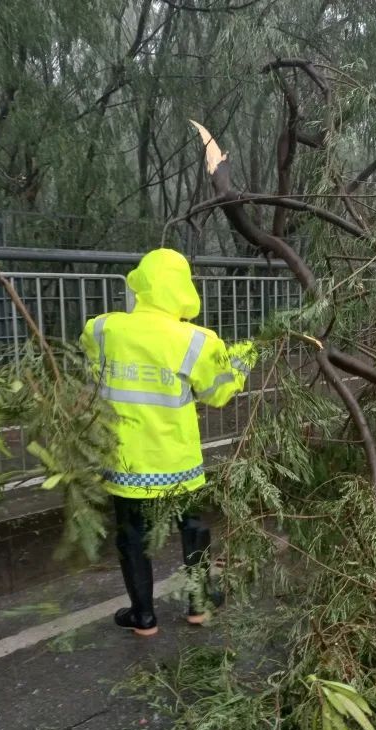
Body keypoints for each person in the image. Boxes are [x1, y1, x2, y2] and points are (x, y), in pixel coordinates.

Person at [81, 248, 255, 636]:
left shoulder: (103, 329)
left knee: (131, 534)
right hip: (177, 459)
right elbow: (217, 393)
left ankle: (143, 616)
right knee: (192, 524)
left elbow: (92, 364)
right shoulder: (196, 340)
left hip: (124, 461)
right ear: (182, 289)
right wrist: (243, 358)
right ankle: (198, 604)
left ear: (140, 284)